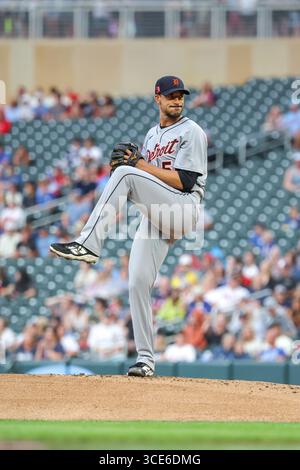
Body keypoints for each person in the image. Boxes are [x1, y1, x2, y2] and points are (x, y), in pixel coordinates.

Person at [50, 75, 207, 377]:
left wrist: (137, 166)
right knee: (136, 282)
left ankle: (88, 245)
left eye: (181, 95)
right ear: (157, 99)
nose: (177, 100)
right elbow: (144, 181)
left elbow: (185, 180)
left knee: (125, 171)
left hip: (183, 207)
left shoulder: (192, 131)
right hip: (157, 214)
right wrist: (128, 188)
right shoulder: (151, 135)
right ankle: (146, 361)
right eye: (171, 95)